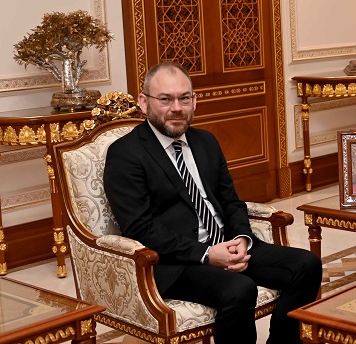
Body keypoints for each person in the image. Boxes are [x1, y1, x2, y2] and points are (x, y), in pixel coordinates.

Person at [104, 62, 322, 344]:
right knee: (239, 289)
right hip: (176, 263)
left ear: (194, 101)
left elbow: (231, 202)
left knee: (307, 265)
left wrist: (241, 239)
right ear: (144, 103)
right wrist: (207, 254)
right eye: (165, 99)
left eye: (184, 98)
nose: (177, 108)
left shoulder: (205, 141)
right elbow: (140, 227)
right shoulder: (126, 153)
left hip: (226, 244)